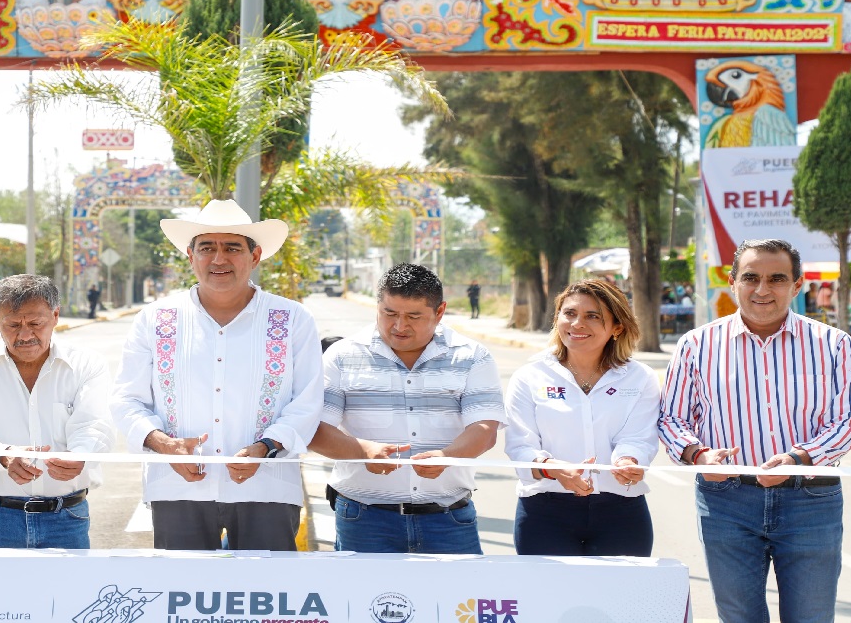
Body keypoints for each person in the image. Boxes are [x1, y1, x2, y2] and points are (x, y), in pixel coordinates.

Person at [659, 238, 851, 623]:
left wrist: (798, 459)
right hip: (726, 500)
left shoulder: (833, 345)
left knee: (812, 617)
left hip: (811, 499)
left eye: (777, 278)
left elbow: (849, 422)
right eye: (751, 277)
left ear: (797, 284)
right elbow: (672, 418)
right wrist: (698, 455)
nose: (762, 289)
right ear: (733, 280)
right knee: (739, 617)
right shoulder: (696, 345)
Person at [112, 199, 323, 551]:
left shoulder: (292, 320)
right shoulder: (155, 319)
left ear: (255, 257)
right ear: (190, 256)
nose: (219, 259)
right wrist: (165, 445)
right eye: (207, 248)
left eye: (232, 248)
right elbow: (126, 398)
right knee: (181, 596)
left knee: (265, 597)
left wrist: (266, 447)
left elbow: (308, 401)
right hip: (178, 486)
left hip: (267, 487)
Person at [311, 264, 503, 554]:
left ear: (439, 312)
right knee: (360, 600)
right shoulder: (342, 355)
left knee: (457, 599)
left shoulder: (471, 356)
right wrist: (361, 451)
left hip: (449, 519)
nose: (399, 326)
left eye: (414, 316)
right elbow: (316, 430)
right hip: (364, 521)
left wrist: (447, 456)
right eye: (389, 314)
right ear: (377, 305)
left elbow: (485, 430)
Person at [0, 274, 113, 548]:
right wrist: (4, 456)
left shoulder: (86, 365)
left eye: (35, 323)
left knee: (66, 593)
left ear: (55, 316)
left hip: (65, 518)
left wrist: (80, 456)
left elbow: (94, 426)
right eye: (13, 325)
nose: (25, 335)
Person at [504, 279, 659, 557]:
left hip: (622, 512)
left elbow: (638, 437)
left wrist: (628, 461)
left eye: (592, 316)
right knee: (549, 600)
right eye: (570, 314)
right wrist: (551, 467)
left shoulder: (641, 377)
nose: (577, 324)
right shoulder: (529, 376)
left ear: (617, 328)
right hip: (545, 513)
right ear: (557, 319)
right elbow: (520, 446)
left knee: (621, 600)